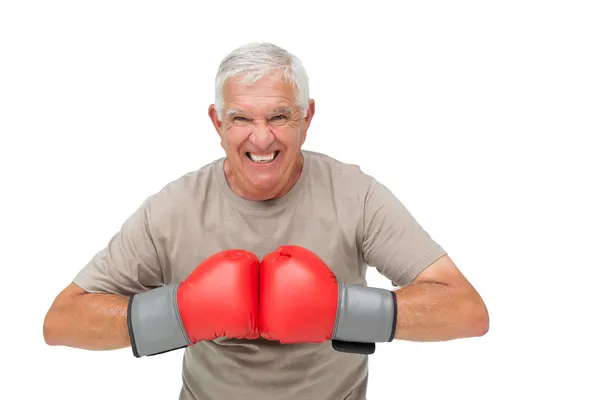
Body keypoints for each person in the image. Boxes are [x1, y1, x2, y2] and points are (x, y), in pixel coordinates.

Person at [43, 42, 489, 400]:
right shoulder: (175, 207)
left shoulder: (355, 193)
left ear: (307, 117)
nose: (261, 137)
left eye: (279, 116)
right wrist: (182, 313)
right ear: (217, 122)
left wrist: (340, 311)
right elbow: (62, 321)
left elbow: (466, 311)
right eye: (241, 118)